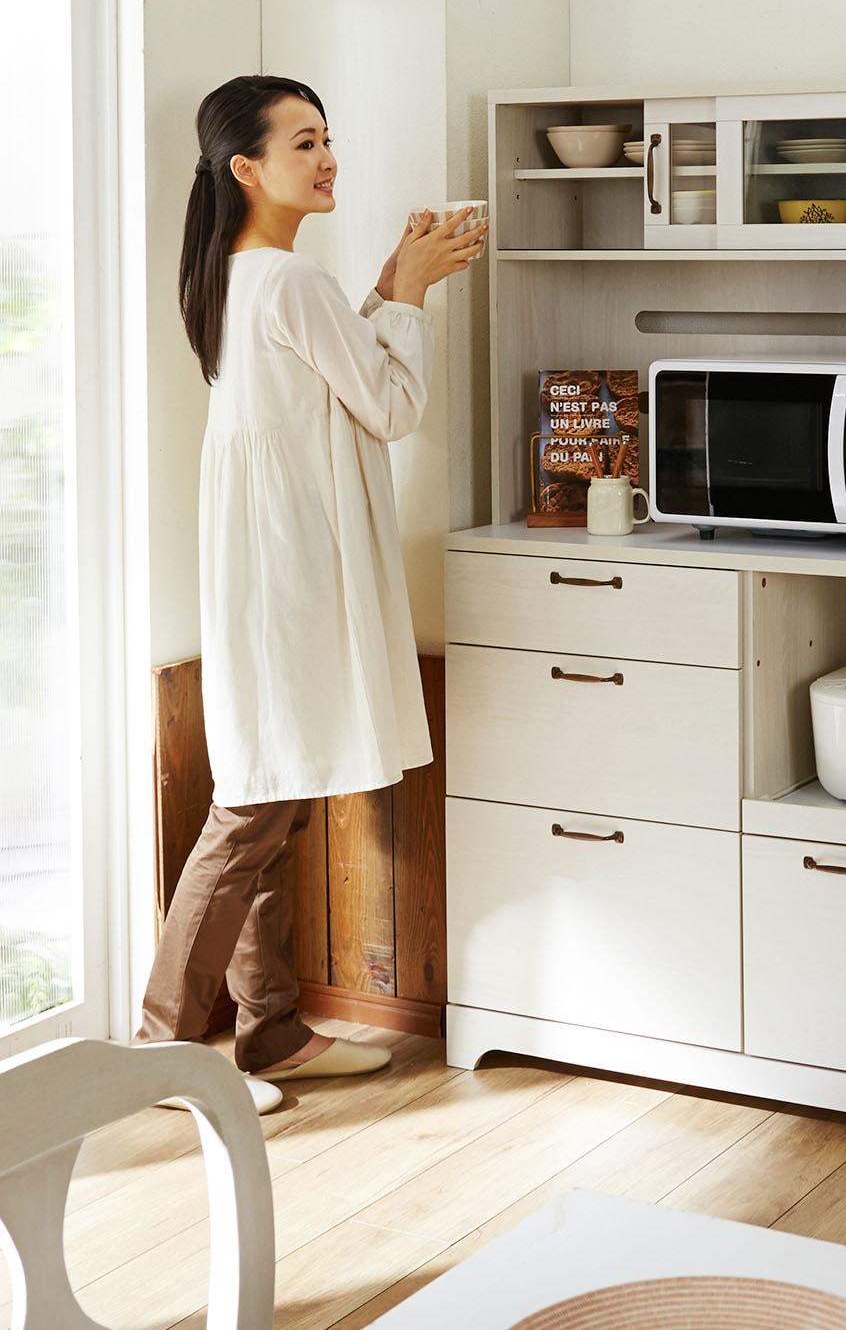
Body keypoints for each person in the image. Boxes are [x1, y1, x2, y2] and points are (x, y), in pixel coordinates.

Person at [136, 74, 486, 1113]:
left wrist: (381, 287)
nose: (327, 157)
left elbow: (333, 382)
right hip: (290, 569)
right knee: (251, 811)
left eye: (327, 136)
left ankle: (273, 1029)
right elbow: (389, 406)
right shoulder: (289, 279)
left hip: (264, 563)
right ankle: (160, 1054)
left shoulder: (241, 277)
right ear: (246, 168)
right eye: (302, 142)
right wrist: (408, 296)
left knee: (273, 793)